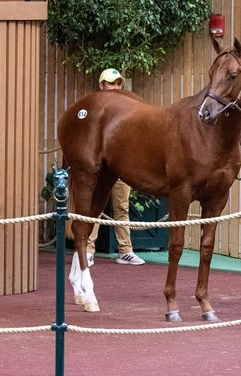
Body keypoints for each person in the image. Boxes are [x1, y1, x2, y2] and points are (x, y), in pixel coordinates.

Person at [86, 68, 145, 266]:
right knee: (94, 205)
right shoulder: (94, 108)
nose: (116, 87)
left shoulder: (128, 108)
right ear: (101, 86)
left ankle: (125, 250)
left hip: (121, 166)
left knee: (122, 206)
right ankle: (87, 248)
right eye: (111, 83)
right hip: (100, 166)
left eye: (118, 83)